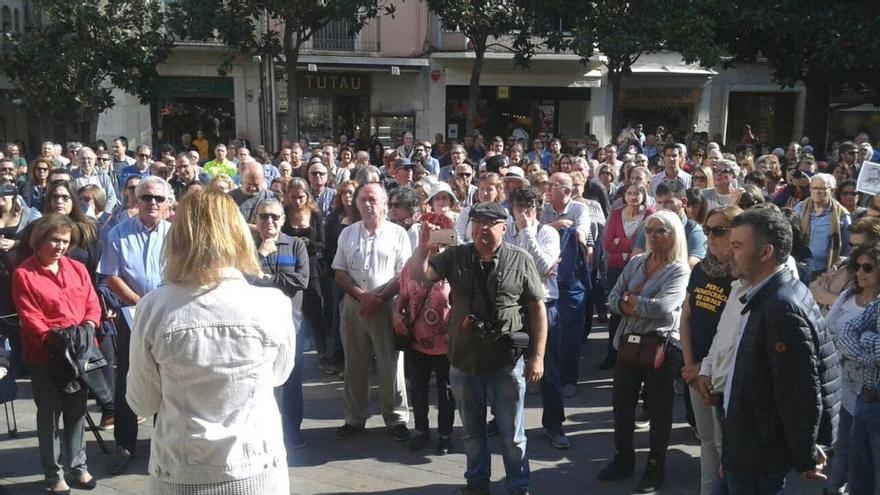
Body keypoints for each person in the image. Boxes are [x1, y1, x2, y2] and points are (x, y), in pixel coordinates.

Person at [126, 189, 295, 494]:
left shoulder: (153, 307)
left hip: (182, 468)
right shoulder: (273, 304)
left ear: (178, 238)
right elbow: (278, 375)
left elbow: (143, 400)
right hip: (256, 464)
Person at [410, 201, 547, 495]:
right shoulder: (456, 256)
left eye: (490, 222)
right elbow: (421, 275)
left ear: (504, 228)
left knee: (513, 435)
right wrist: (423, 246)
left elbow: (538, 309)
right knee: (472, 433)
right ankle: (477, 483)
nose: (483, 228)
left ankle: (518, 486)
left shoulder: (520, 259)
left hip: (505, 362)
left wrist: (538, 357)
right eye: (477, 222)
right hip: (464, 360)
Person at [722, 207, 839, 494]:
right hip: (745, 447)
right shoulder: (776, 294)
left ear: (765, 252)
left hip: (758, 455)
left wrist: (805, 453)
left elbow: (799, 390)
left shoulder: (781, 307)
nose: (728, 253)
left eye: (737, 246)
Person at [598, 210, 690, 493]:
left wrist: (631, 302)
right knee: (621, 406)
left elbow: (662, 308)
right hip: (628, 344)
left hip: (660, 347)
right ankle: (623, 460)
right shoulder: (637, 261)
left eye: (660, 230)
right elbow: (612, 298)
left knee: (659, 410)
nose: (653, 235)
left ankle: (655, 467)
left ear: (674, 234)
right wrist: (635, 302)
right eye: (649, 230)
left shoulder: (679, 269)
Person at [12, 214, 101, 494]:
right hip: (46, 356)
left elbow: (92, 303)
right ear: (40, 240)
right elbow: (30, 317)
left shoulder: (76, 268)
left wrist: (87, 326)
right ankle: (54, 474)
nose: (61, 246)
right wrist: (58, 339)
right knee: (49, 417)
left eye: (65, 241)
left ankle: (79, 467)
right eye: (55, 239)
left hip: (79, 354)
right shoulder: (24, 274)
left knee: (76, 413)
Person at [97, 176, 172, 475]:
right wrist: (141, 303)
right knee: (128, 379)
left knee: (167, 378)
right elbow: (110, 275)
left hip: (168, 317)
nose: (152, 203)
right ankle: (125, 445)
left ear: (167, 203)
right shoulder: (118, 233)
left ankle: (162, 446)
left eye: (159, 198)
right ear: (135, 200)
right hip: (133, 318)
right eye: (146, 198)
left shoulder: (177, 234)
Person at [331, 183, 411, 440]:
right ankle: (354, 418)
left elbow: (404, 274)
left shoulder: (398, 234)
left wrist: (379, 298)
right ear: (355, 204)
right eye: (363, 199)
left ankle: (396, 417)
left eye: (373, 199)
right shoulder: (347, 234)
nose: (368, 204)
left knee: (391, 363)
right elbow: (339, 272)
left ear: (385, 204)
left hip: (387, 306)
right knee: (354, 363)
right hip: (355, 306)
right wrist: (361, 296)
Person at [680, 206, 741, 495]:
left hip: (723, 372)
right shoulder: (701, 269)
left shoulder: (741, 275)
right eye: (707, 230)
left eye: (719, 230)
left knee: (724, 444)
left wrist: (704, 368)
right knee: (706, 440)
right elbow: (687, 315)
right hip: (696, 369)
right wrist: (690, 363)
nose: (710, 236)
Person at [504, 186, 567, 449]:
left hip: (544, 306)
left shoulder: (548, 233)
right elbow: (505, 267)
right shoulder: (506, 232)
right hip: (513, 307)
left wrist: (528, 232)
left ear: (537, 211)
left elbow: (540, 266)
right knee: (507, 370)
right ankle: (504, 420)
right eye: (518, 210)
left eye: (528, 210)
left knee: (548, 369)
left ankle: (554, 425)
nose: (522, 215)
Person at [248, 197, 310, 450]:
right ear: (256, 220)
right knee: (258, 383)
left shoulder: (296, 245)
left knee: (292, 382)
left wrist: (265, 278)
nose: (269, 221)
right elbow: (241, 279)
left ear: (283, 220)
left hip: (289, 327)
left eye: (275, 216)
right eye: (264, 216)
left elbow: (301, 280)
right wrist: (260, 254)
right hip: (255, 329)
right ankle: (262, 434)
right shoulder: (247, 248)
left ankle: (292, 431)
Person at [393, 211, 455, 454]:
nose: (433, 237)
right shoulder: (412, 264)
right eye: (429, 232)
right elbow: (404, 294)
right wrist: (396, 314)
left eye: (440, 231)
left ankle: (445, 434)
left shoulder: (454, 263)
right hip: (417, 339)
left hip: (448, 341)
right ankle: (421, 430)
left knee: (447, 391)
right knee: (418, 388)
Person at [823, 245, 880, 495]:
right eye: (857, 266)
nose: (860, 272)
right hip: (854, 394)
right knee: (853, 460)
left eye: (868, 267)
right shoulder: (850, 298)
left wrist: (865, 341)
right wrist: (869, 345)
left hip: (873, 398)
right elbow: (837, 333)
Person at [601, 183, 654, 369]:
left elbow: (644, 245)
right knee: (616, 310)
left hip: (640, 270)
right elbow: (608, 244)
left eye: (636, 193)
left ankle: (633, 356)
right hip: (616, 269)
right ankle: (611, 354)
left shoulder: (650, 215)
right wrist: (628, 249)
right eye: (629, 193)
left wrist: (621, 244)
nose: (632, 197)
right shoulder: (616, 214)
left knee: (635, 309)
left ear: (643, 196)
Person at [282, 178, 329, 374]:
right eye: (293, 197)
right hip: (288, 268)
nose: (297, 201)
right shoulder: (283, 214)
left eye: (301, 197)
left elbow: (322, 244)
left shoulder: (315, 215)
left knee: (315, 311)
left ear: (307, 196)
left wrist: (305, 243)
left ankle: (323, 354)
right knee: (289, 313)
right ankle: (290, 354)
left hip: (311, 268)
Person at [794, 173, 851, 278]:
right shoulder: (800, 208)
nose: (817, 192)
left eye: (822, 188)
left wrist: (838, 266)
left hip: (824, 272)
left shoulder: (842, 215)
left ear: (832, 191)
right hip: (799, 267)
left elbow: (848, 247)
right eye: (814, 188)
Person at [70, 147, 118, 215]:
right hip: (80, 215)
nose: (86, 161)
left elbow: (111, 196)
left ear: (95, 159)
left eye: (89, 158)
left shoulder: (102, 175)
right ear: (77, 159)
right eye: (83, 158)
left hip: (101, 215)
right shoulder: (71, 176)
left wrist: (104, 214)